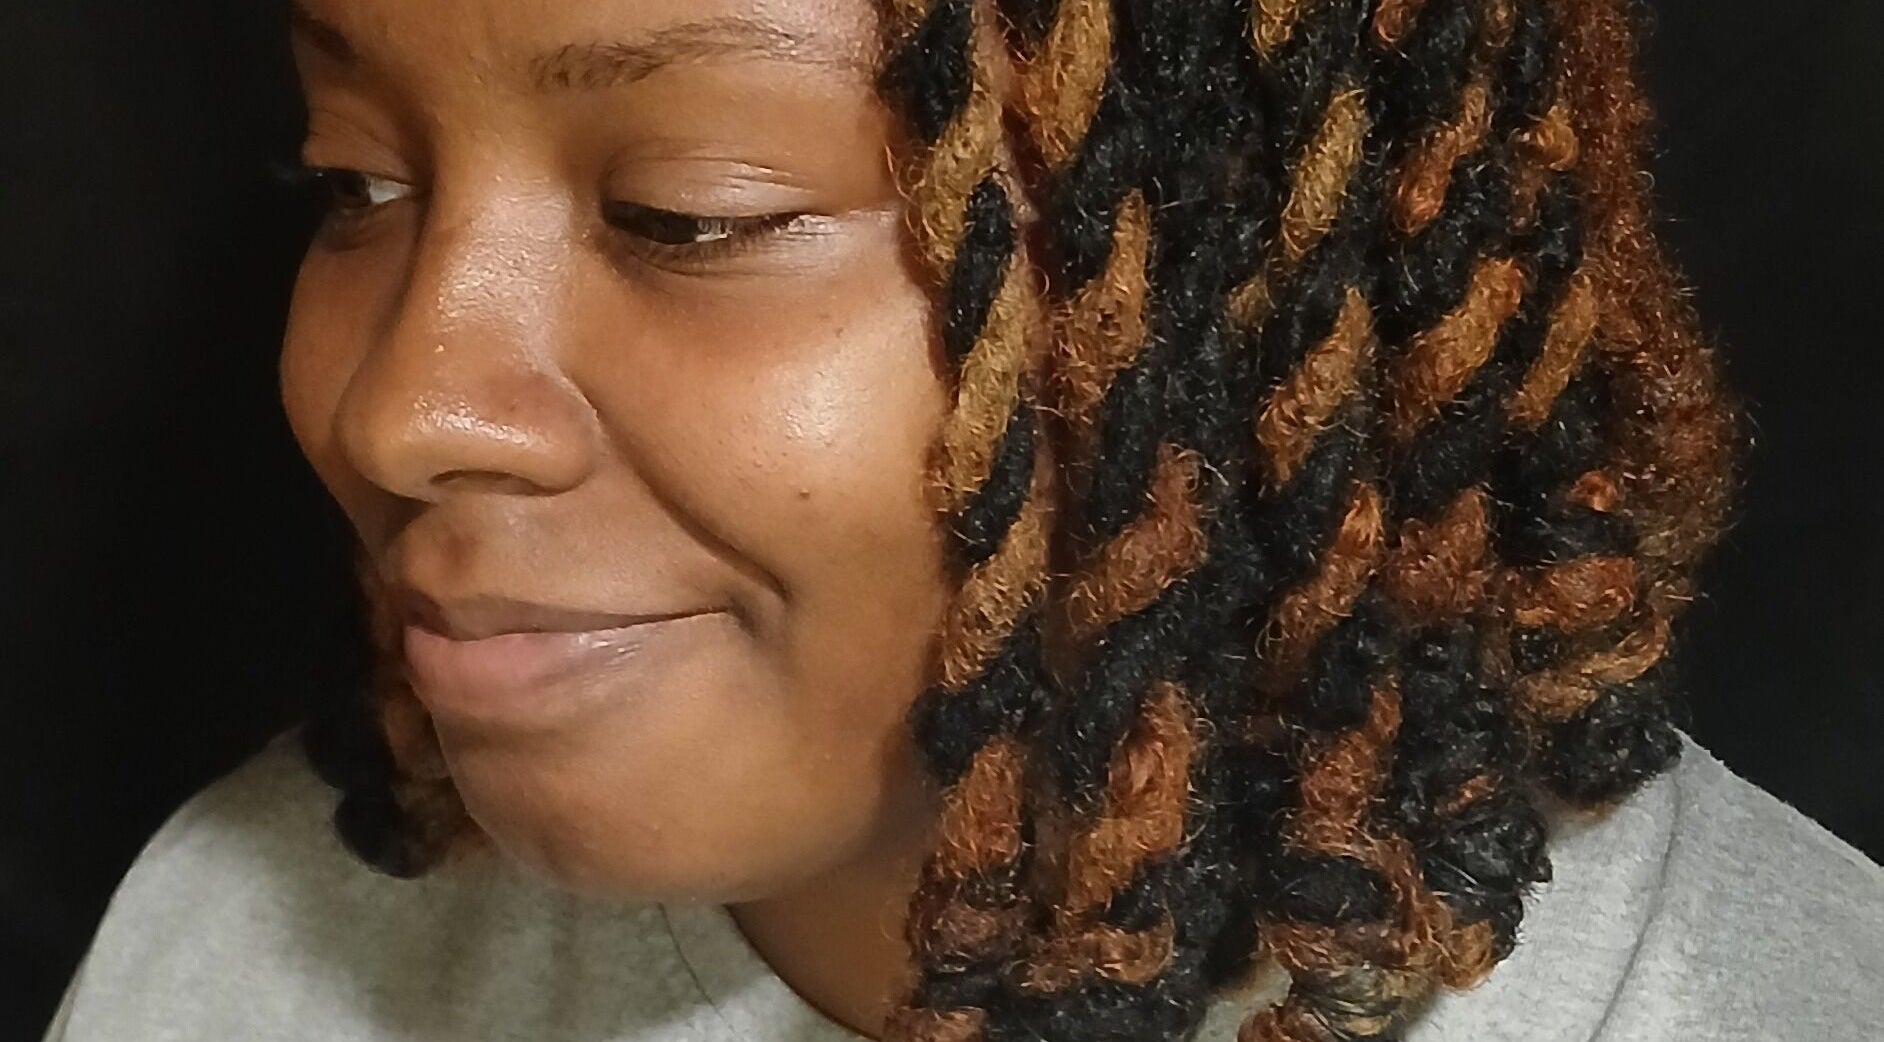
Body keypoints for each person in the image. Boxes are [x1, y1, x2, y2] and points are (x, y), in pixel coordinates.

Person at [42, 0, 1884, 1039]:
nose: (400, 406)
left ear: (1253, 298)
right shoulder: (249, 960)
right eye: (354, 180)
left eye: (692, 215)